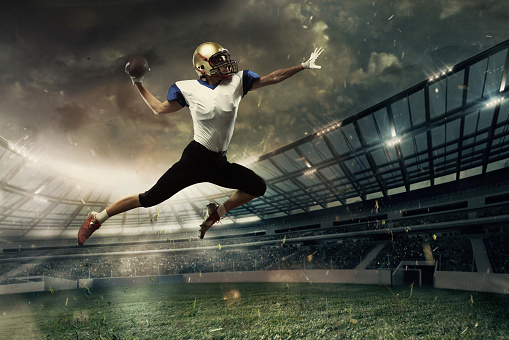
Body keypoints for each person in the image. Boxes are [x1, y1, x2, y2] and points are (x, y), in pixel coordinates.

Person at [78, 42, 324, 246]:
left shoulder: (238, 81)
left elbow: (273, 77)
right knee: (150, 198)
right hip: (194, 160)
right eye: (218, 61)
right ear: (203, 67)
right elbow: (159, 109)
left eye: (224, 59)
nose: (226, 65)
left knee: (257, 186)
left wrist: (301, 66)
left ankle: (215, 214)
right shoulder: (186, 88)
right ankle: (97, 218)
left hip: (218, 162)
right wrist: (138, 82)